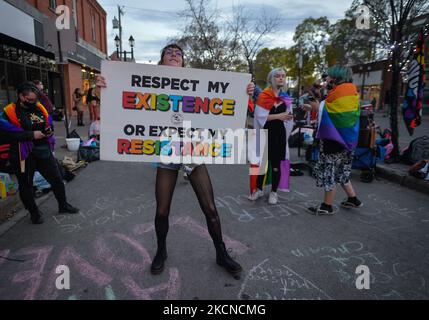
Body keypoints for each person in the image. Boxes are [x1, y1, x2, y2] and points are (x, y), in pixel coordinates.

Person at [96, 43, 255, 277]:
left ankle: (221, 253)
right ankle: (161, 250)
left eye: (179, 53)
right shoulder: (148, 80)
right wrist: (103, 89)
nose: (174, 54)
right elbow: (123, 102)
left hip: (194, 148)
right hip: (166, 149)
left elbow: (224, 106)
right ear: (160, 61)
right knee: (162, 211)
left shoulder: (197, 83)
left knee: (210, 208)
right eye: (169, 52)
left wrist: (244, 91)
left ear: (183, 61)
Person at [0, 82, 79, 224]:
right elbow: (5, 136)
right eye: (29, 100)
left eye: (35, 99)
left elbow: (47, 124)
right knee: (26, 185)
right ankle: (34, 213)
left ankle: (63, 205)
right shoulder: (8, 113)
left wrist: (49, 131)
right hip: (23, 155)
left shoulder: (39, 108)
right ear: (21, 96)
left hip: (43, 151)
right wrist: (31, 135)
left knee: (56, 178)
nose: (33, 102)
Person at [305, 65, 363, 215]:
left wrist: (316, 108)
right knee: (342, 171)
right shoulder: (352, 91)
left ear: (336, 78)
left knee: (329, 171)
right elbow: (341, 114)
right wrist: (316, 108)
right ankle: (353, 198)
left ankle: (327, 206)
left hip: (334, 140)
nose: (327, 79)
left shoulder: (339, 92)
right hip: (348, 140)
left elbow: (332, 114)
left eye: (329, 77)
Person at [248, 68, 294, 205]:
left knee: (276, 165)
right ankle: (258, 189)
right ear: (271, 79)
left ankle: (274, 192)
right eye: (277, 76)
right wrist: (279, 116)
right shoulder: (263, 96)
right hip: (264, 133)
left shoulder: (286, 98)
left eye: (283, 76)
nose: (281, 78)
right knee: (261, 164)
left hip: (279, 135)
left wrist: (285, 118)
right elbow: (260, 117)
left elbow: (289, 118)